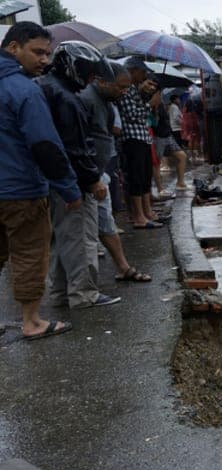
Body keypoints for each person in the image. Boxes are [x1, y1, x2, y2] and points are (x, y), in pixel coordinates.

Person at [0, 22, 80, 340]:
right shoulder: (24, 90)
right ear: (13, 47)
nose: (45, 60)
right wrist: (69, 189)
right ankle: (31, 321)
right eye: (38, 52)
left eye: (47, 53)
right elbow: (45, 145)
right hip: (21, 191)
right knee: (30, 253)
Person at [39, 40, 120, 310]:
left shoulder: (45, 88)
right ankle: (84, 293)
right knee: (81, 237)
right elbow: (75, 147)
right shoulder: (66, 98)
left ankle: (62, 293)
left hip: (52, 181)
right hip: (73, 181)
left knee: (61, 239)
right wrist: (92, 179)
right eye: (88, 74)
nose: (89, 80)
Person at [80, 60, 150, 282]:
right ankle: (83, 290)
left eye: (127, 88)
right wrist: (92, 177)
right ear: (100, 81)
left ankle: (123, 267)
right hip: (88, 176)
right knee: (86, 232)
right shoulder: (85, 100)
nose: (124, 92)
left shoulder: (107, 102)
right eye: (120, 87)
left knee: (106, 222)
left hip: (99, 173)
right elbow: (79, 144)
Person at [114, 57, 160, 228]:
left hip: (143, 137)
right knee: (136, 178)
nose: (144, 76)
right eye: (142, 72)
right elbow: (132, 114)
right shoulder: (126, 89)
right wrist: (149, 105)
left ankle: (147, 212)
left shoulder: (135, 89)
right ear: (133, 71)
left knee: (145, 177)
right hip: (132, 138)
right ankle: (139, 216)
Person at [151, 92, 187, 193]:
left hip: (168, 135)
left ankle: (180, 182)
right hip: (157, 137)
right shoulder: (149, 106)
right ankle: (160, 188)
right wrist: (154, 109)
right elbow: (152, 122)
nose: (159, 96)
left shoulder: (162, 105)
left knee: (182, 156)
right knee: (156, 163)